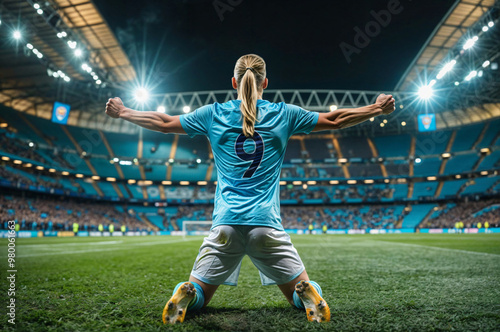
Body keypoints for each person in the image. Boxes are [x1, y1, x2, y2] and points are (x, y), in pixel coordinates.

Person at [105, 54, 395, 324]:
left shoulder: (212, 113)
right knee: (297, 296)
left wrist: (124, 111)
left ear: (233, 82)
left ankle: (186, 292)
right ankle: (307, 291)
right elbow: (334, 119)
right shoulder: (284, 113)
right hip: (265, 226)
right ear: (265, 83)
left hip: (225, 225)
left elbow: (165, 123)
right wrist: (376, 108)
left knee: (200, 297)